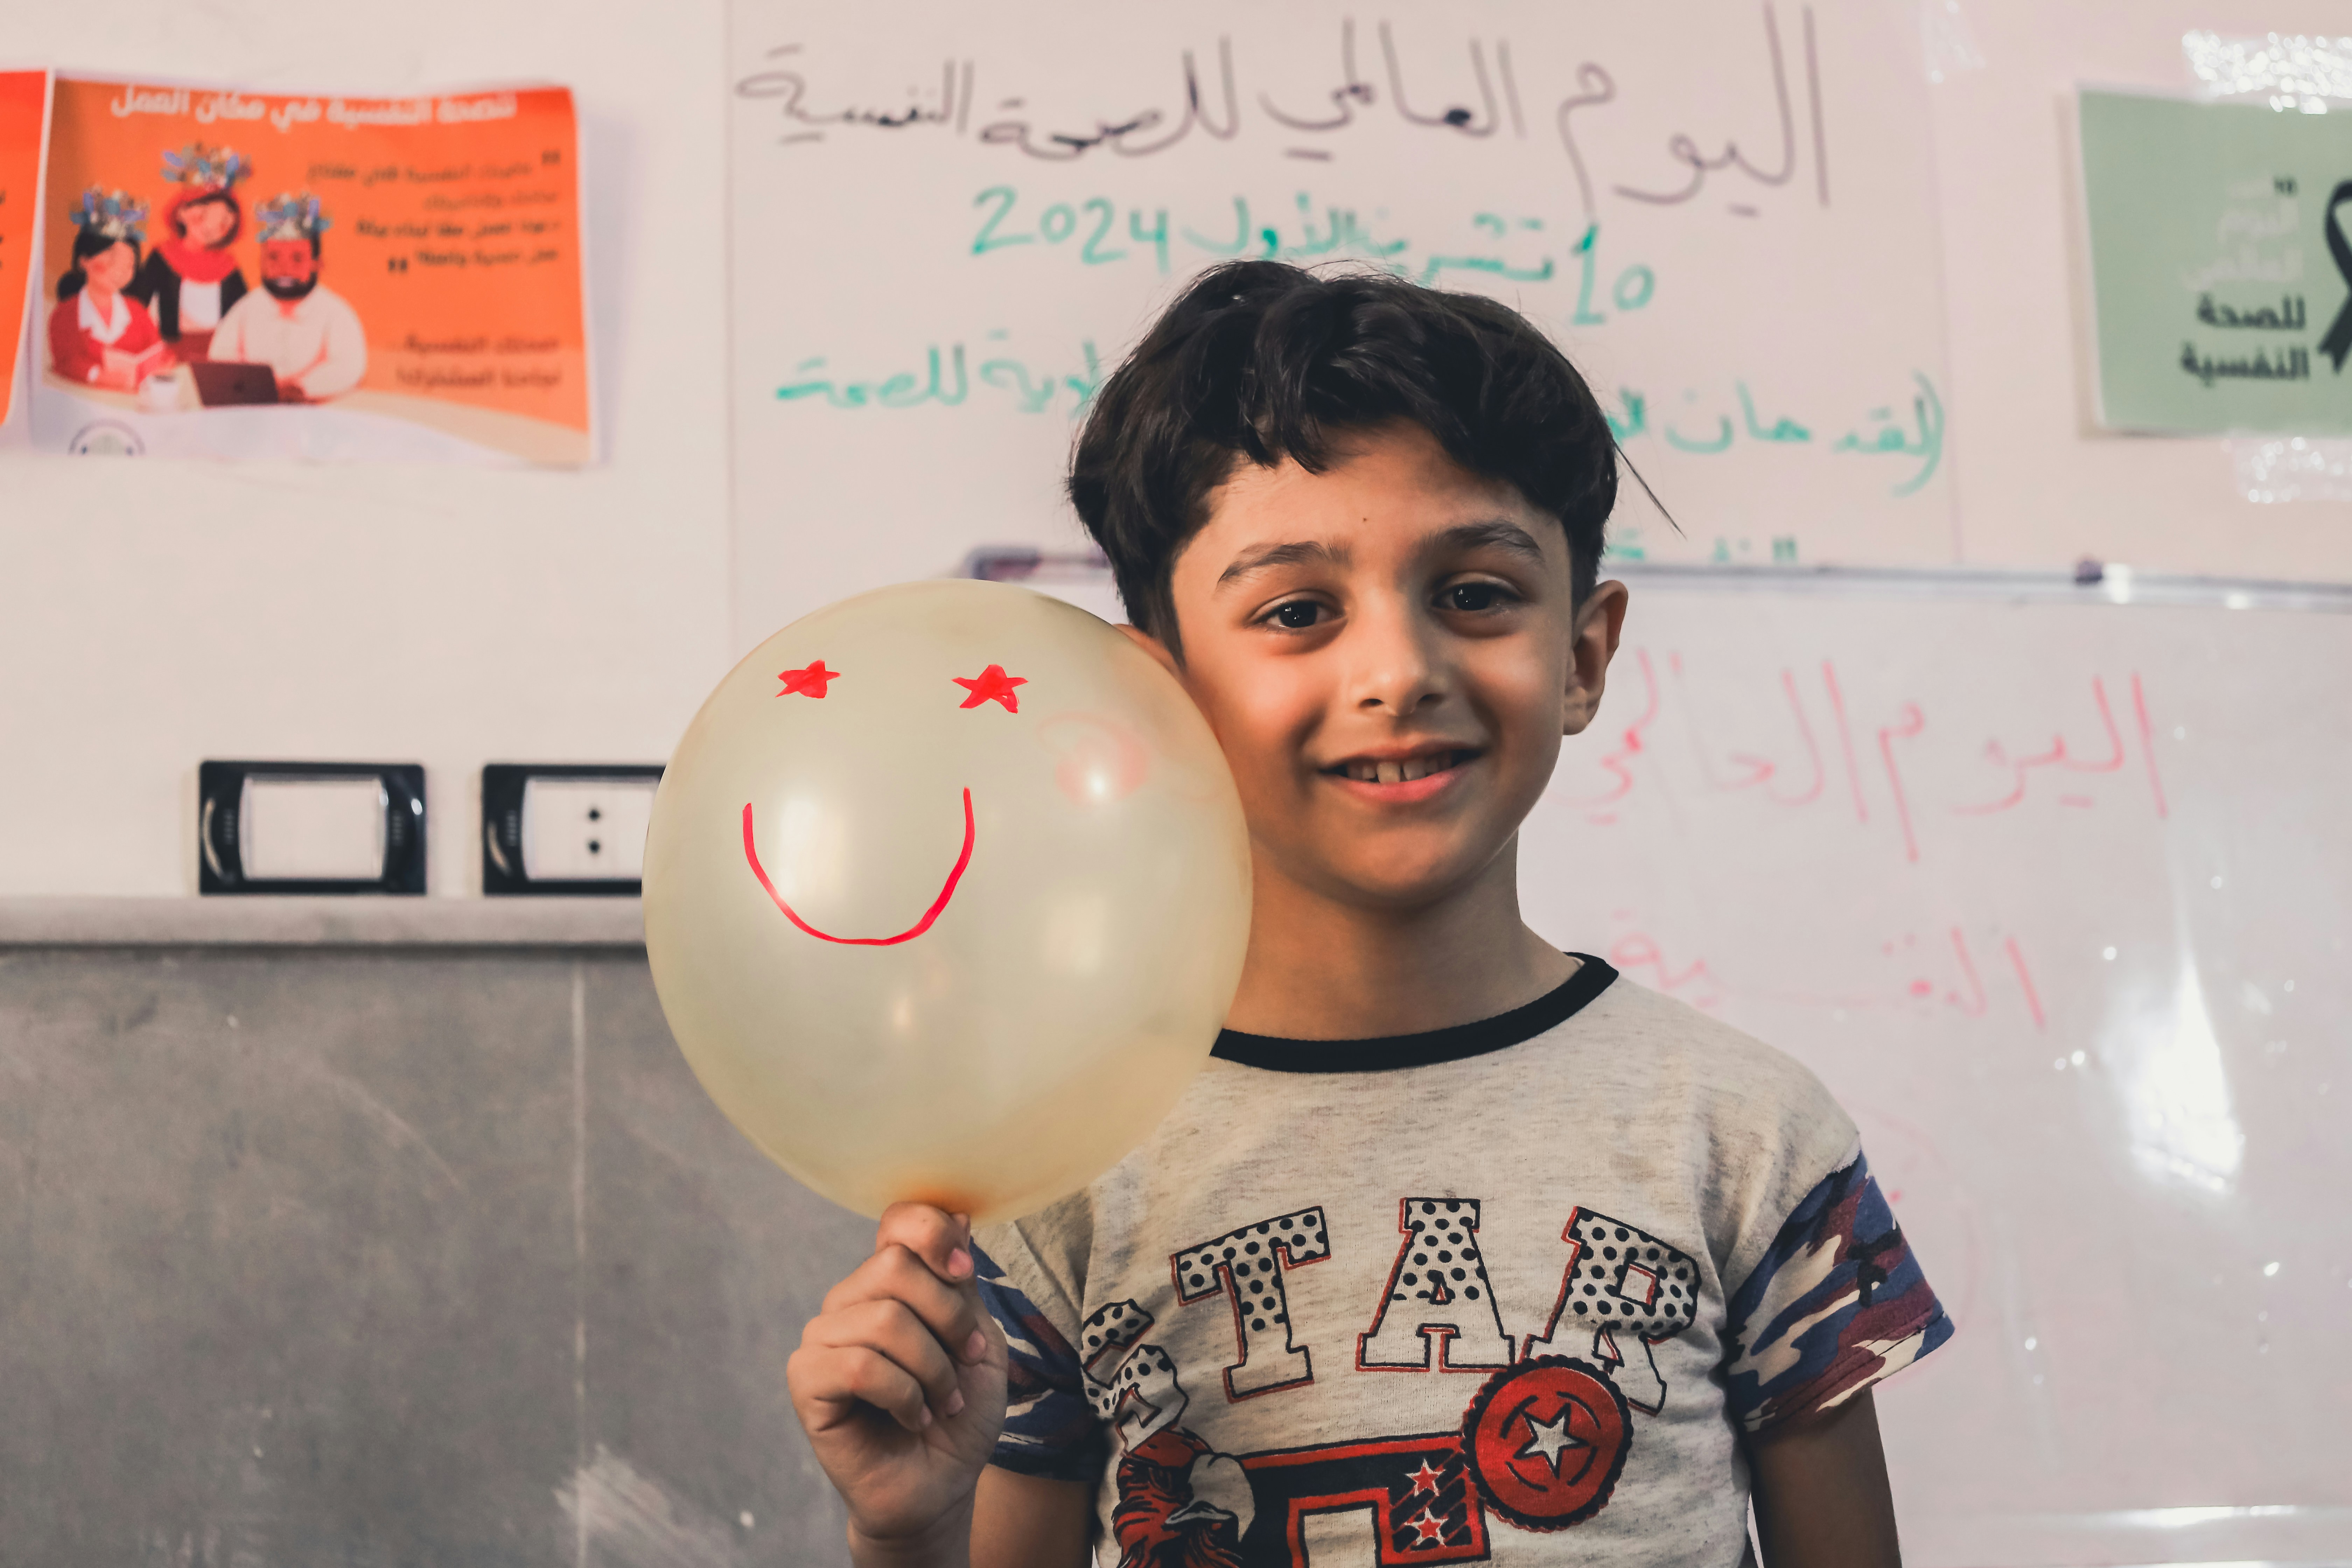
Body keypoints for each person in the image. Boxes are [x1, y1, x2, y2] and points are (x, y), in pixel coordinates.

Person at [786, 262, 1954, 1568]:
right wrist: (904, 1531)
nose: (1396, 671)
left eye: (1473, 592)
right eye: (1296, 611)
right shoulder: (1052, 1173)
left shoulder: (1749, 1140)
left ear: (1580, 654)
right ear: (1160, 700)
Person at [209, 191, 366, 402]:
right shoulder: (245, 310)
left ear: (317, 264)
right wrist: (255, 386)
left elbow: (349, 365)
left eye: (298, 259)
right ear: (260, 262)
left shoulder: (336, 313)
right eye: (273, 257)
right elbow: (221, 357)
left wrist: (303, 389)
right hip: (253, 408)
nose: (284, 269)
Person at [128, 142, 252, 360]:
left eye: (223, 223)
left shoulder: (229, 266)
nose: (211, 228)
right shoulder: (163, 256)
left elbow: (245, 315)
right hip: (171, 351)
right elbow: (138, 306)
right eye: (203, 215)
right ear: (181, 213)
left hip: (220, 353)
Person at [48, 188, 168, 392]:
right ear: (84, 261)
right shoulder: (66, 314)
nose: (121, 272)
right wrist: (99, 376)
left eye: (129, 264)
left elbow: (156, 350)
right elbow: (65, 361)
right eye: (112, 260)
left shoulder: (137, 311)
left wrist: (161, 364)